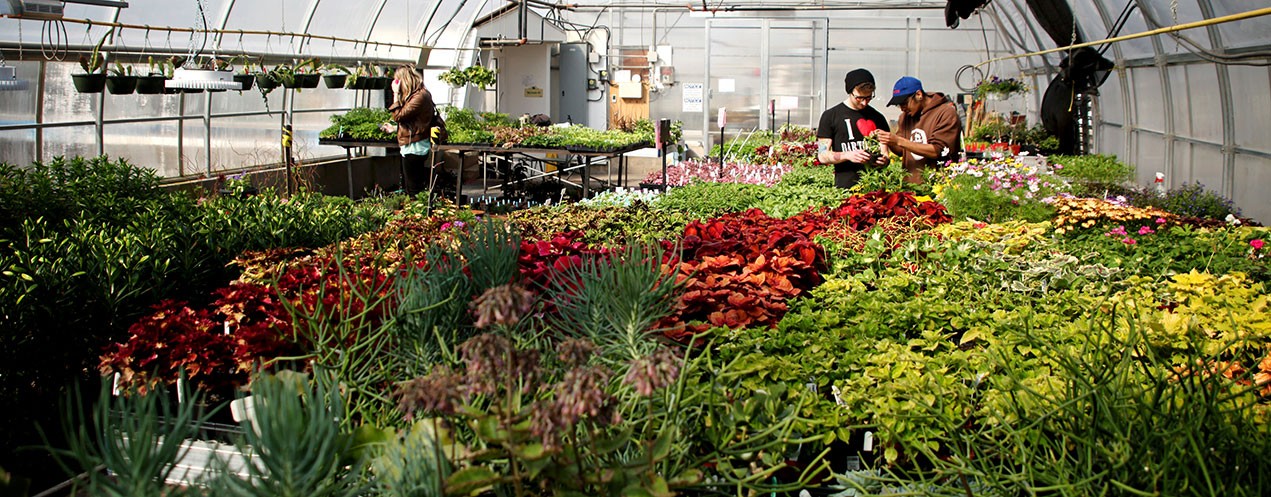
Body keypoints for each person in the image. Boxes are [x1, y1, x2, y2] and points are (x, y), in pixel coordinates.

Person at [876, 76, 963, 184]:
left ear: (919, 95)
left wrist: (898, 140)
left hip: (937, 186)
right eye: (899, 105)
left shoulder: (946, 113)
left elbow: (937, 150)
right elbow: (900, 151)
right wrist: (887, 139)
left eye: (904, 103)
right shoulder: (905, 117)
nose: (902, 109)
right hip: (911, 188)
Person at [817, 68, 891, 189]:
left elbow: (885, 153)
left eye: (868, 98)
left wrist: (884, 161)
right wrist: (847, 155)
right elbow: (822, 155)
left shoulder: (877, 117)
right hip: (845, 189)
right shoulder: (831, 116)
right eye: (859, 98)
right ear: (849, 92)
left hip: (875, 188)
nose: (864, 103)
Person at [380, 65, 437, 195]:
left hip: (415, 147)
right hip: (412, 145)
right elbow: (414, 122)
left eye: (397, 81)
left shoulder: (419, 96)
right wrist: (394, 128)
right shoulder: (416, 96)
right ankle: (415, 212)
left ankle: (417, 213)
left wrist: (396, 94)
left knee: (413, 189)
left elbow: (398, 116)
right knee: (410, 186)